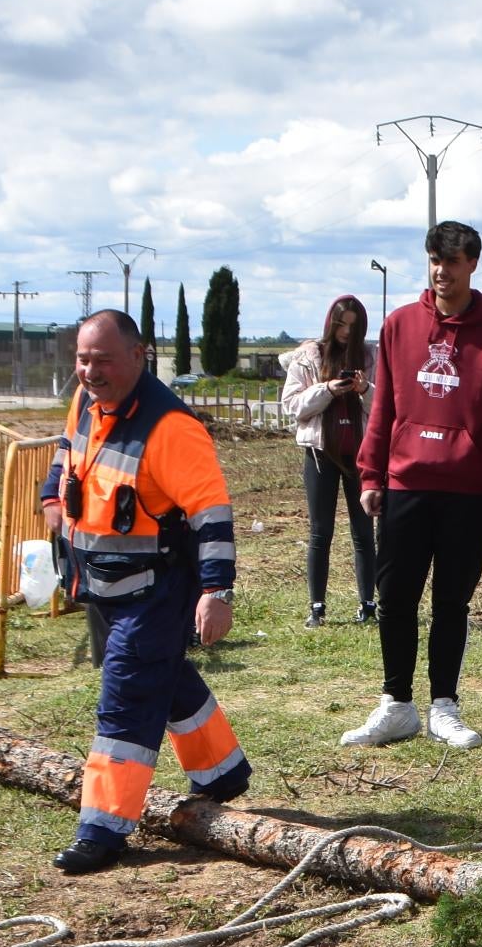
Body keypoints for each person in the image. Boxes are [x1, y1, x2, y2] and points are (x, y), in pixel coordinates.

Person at [37, 310, 248, 874]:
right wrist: (52, 497)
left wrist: (216, 592)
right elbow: (66, 450)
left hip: (158, 589)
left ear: (139, 356)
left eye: (103, 359)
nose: (90, 370)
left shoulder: (173, 428)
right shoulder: (85, 401)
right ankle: (223, 771)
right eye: (83, 358)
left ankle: (102, 829)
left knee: (126, 698)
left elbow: (212, 516)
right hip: (101, 583)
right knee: (161, 674)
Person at [348, 222, 482, 750]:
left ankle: (444, 707)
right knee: (396, 597)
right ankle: (396, 704)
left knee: (451, 602)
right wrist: (371, 472)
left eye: (451, 262)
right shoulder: (400, 325)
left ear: (472, 265)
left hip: (470, 488)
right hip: (406, 481)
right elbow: (383, 405)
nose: (440, 271)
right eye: (434, 259)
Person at [279, 294, 376, 626]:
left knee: (364, 531)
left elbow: (384, 408)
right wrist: (328, 390)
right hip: (320, 453)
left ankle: (368, 604)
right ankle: (317, 607)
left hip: (360, 454)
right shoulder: (309, 356)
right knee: (321, 531)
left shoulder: (371, 356)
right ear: (331, 323)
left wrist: (365, 390)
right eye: (341, 324)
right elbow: (291, 404)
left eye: (353, 325)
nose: (346, 332)